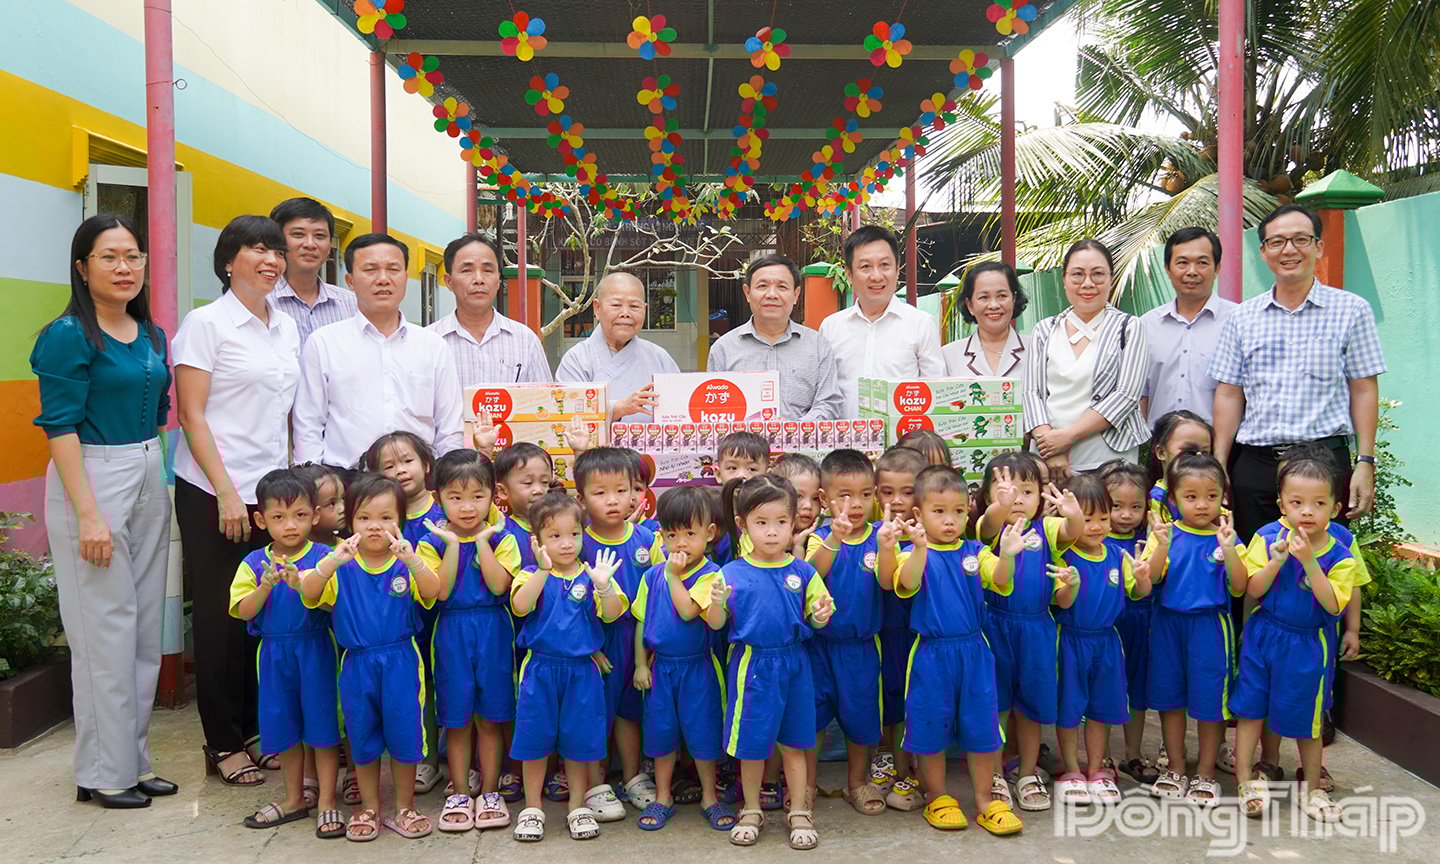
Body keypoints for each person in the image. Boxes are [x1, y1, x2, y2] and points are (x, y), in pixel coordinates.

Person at [32, 214, 176, 809]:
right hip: (90, 475)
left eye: (134, 256)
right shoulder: (68, 334)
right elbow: (60, 425)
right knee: (102, 630)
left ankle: (131, 761)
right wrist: (88, 514)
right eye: (110, 256)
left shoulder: (151, 335)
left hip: (148, 468)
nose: (125, 268)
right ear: (81, 266)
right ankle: (100, 771)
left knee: (143, 628)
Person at [173, 214, 300, 787]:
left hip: (271, 495)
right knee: (223, 621)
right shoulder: (206, 324)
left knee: (264, 613)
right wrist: (226, 490)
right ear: (229, 260)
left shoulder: (286, 326)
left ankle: (254, 731)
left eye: (276, 250)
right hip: (215, 491)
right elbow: (191, 414)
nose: (272, 259)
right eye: (257, 249)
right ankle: (222, 741)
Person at [1210, 203, 1386, 539]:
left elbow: (1364, 388)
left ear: (1319, 247)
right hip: (1256, 468)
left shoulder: (1351, 311)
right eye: (1277, 242)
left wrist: (1366, 462)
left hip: (1324, 467)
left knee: (1322, 572)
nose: (1289, 250)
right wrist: (1219, 463)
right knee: (1252, 572)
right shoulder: (1242, 318)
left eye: (1300, 239)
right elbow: (1229, 392)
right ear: (1263, 252)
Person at [299, 473, 441, 841]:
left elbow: (434, 591)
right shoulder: (341, 563)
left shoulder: (408, 557)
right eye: (364, 518)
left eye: (385, 517)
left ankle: (405, 807)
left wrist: (413, 562)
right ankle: (369, 808)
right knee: (362, 737)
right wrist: (331, 561)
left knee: (405, 735)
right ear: (350, 521)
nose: (374, 526)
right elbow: (309, 592)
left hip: (401, 661)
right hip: (357, 663)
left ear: (400, 520)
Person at [886, 465, 1023, 835]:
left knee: (982, 727)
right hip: (931, 654)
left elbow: (998, 579)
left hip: (975, 653)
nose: (950, 520)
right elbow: (907, 582)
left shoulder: (974, 551)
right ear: (919, 514)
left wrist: (1008, 555)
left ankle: (984, 801)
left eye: (959, 511)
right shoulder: (910, 552)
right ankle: (938, 797)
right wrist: (918, 548)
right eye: (939, 511)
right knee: (930, 726)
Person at [1231, 445, 1356, 824]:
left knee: (1309, 717)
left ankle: (1313, 787)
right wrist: (1277, 561)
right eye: (1297, 501)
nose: (1306, 511)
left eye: (1318, 503)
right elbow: (1252, 590)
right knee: (1251, 708)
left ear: (1334, 509)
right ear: (1282, 504)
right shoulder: (1268, 537)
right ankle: (1245, 780)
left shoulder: (1341, 551)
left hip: (1309, 644)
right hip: (1264, 635)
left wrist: (1308, 562)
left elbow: (1333, 605)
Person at [709, 474, 835, 849]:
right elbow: (716, 624)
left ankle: (798, 810)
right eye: (761, 523)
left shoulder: (803, 571)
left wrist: (821, 614)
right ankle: (751, 808)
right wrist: (716, 602)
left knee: (796, 744)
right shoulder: (729, 573)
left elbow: (818, 615)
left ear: (795, 520)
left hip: (795, 665)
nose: (772, 532)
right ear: (743, 524)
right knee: (751, 747)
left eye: (781, 522)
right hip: (752, 667)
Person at [508, 491, 629, 843]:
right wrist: (543, 572)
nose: (566, 544)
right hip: (541, 670)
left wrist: (604, 587)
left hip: (582, 673)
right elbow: (519, 606)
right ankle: (532, 809)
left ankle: (577, 807)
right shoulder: (531, 573)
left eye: (573, 534)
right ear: (538, 541)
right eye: (554, 536)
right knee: (534, 741)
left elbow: (612, 614)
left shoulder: (593, 575)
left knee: (578, 744)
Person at [229, 469, 341, 837]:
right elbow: (243, 611)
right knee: (284, 728)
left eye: (300, 515)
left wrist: (304, 585)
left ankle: (327, 801)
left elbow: (334, 607)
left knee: (322, 729)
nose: (290, 525)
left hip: (316, 651)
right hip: (274, 656)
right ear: (261, 519)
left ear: (315, 515)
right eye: (278, 517)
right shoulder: (252, 562)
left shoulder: (325, 557)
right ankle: (293, 798)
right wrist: (264, 586)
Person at [293, 233, 463, 469]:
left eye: (393, 269)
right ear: (350, 281)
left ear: (405, 276)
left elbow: (449, 428)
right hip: (349, 483)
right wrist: (313, 480)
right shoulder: (324, 343)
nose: (383, 279)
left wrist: (447, 479)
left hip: (419, 485)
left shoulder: (433, 346)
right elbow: (308, 424)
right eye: (370, 270)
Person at [416, 450, 519, 833]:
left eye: (477, 495)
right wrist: (455, 544)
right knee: (456, 720)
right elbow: (440, 592)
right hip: (451, 631)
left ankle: (490, 792)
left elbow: (497, 584)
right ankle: (460, 792)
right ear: (438, 495)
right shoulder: (431, 540)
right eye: (455, 497)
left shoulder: (503, 537)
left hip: (492, 629)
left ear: (493, 494)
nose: (467, 506)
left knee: (490, 717)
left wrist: (481, 542)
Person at [974, 454, 1084, 812]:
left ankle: (1026, 772)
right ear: (988, 495)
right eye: (1005, 490)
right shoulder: (988, 530)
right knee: (997, 704)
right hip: (994, 625)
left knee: (1032, 706)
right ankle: (993, 774)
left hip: (1037, 628)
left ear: (1041, 496)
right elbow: (989, 525)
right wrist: (999, 507)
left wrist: (1073, 513)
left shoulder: (1047, 530)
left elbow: (1072, 532)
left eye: (1027, 490)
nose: (1017, 498)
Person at [1142, 453, 1246, 807]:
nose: (1202, 505)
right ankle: (1174, 766)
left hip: (1211, 628)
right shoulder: (1165, 534)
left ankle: (1205, 772)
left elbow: (1240, 587)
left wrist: (1229, 549)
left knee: (1210, 702)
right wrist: (1162, 546)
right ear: (1172, 499)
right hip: (1168, 624)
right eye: (1191, 496)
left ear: (1223, 497)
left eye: (1211, 496)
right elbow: (1151, 578)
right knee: (1170, 699)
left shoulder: (1227, 537)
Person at [630, 487, 734, 832]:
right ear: (661, 536)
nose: (681, 543)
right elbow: (642, 621)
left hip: (699, 668)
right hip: (662, 668)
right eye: (672, 534)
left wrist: (673, 576)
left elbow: (689, 611)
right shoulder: (651, 576)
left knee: (703, 733)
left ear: (710, 533)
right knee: (661, 734)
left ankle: (709, 796)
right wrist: (642, 664)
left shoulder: (710, 574)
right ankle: (663, 796)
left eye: (690, 533)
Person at [1049, 474, 1153, 807]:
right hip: (1070, 641)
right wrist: (1071, 584)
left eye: (1103, 518)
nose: (1096, 526)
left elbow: (1139, 593)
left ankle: (1096, 770)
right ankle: (1071, 770)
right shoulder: (1063, 556)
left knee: (1101, 709)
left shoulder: (1116, 556)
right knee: (1069, 708)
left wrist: (1142, 578)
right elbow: (1062, 602)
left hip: (1108, 642)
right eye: (1088, 518)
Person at [574, 448, 664, 817]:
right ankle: (596, 783)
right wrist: (589, 647)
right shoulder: (577, 542)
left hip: (637, 639)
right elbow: (569, 601)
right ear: (580, 499)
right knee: (595, 712)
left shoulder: (646, 539)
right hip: (595, 642)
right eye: (600, 492)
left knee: (630, 711)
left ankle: (632, 777)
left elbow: (660, 592)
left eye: (621, 490)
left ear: (635, 493)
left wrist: (654, 645)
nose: (612, 500)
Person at [804, 450, 888, 816]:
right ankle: (804, 786)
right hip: (817, 647)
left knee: (861, 719)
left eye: (866, 495)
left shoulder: (880, 538)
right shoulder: (819, 537)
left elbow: (888, 582)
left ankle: (857, 781)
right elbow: (810, 574)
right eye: (844, 495)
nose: (856, 505)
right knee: (812, 719)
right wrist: (834, 540)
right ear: (824, 499)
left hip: (861, 648)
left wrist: (889, 546)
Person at [1025, 240, 1149, 478]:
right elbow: (1032, 394)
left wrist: (1067, 437)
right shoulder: (1045, 329)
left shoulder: (1130, 327)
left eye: (1098, 274)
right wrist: (1051, 448)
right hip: (1049, 459)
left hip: (1110, 459)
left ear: (1111, 279)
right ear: (1064, 279)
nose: (1088, 283)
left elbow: (1126, 395)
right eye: (1078, 274)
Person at [819, 225, 944, 417]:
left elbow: (936, 393)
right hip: (846, 442)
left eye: (885, 265)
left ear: (897, 269)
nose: (876, 276)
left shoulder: (920, 324)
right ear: (849, 274)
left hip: (902, 444)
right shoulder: (830, 327)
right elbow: (824, 394)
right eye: (865, 266)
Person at [707, 255, 844, 421]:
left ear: (795, 295)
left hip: (801, 445)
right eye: (762, 286)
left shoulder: (818, 346)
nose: (771, 294)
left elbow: (829, 403)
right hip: (743, 446)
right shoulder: (723, 349)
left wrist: (793, 430)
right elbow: (713, 407)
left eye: (782, 287)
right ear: (748, 293)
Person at [869, 446, 928, 810]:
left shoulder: (933, 531)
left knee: (918, 697)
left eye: (907, 492)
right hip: (885, 632)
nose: (898, 500)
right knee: (889, 696)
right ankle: (891, 759)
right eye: (888, 492)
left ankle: (915, 766)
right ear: (877, 494)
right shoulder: (875, 533)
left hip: (922, 635)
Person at [1099, 460, 1159, 787]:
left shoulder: (1150, 540)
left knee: (1136, 691)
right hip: (1106, 627)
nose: (1126, 514)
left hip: (1141, 623)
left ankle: (1132, 754)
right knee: (1106, 690)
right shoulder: (1091, 539)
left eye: (1136, 506)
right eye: (1116, 506)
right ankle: (1102, 756)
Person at [1138, 227, 1237, 426]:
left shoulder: (1237, 320)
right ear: (1167, 269)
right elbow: (1142, 394)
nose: (1192, 272)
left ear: (1217, 268)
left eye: (1202, 263)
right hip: (1160, 448)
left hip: (1221, 445)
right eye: (1182, 263)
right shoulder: (1146, 325)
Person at [428, 233, 552, 388]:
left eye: (487, 270)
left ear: (498, 280)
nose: (478, 279)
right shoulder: (428, 343)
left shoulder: (525, 341)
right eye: (467, 270)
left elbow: (544, 404)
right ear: (449, 281)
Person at [555, 271, 679, 422]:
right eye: (616, 305)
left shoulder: (660, 358)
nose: (625, 313)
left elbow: (679, 410)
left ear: (644, 310)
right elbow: (567, 415)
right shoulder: (577, 359)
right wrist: (619, 408)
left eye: (634, 306)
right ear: (597, 309)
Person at [269, 197, 356, 344]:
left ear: (329, 246)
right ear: (278, 240)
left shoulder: (352, 305)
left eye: (320, 236)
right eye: (298, 234)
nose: (310, 244)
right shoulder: (261, 302)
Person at [941, 262, 1029, 381]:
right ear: (970, 305)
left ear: (1014, 299)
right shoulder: (948, 355)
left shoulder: (1037, 350)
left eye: (1002, 296)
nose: (994, 305)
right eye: (984, 297)